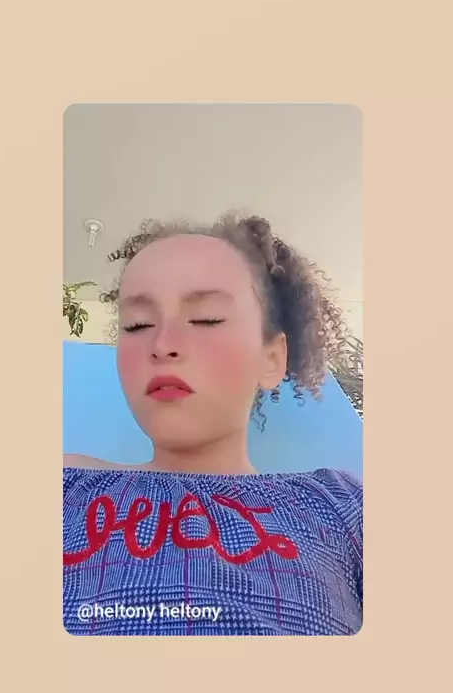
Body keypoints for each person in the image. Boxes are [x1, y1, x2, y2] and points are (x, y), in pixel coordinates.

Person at [64, 212, 363, 636]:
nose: (162, 345)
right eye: (137, 325)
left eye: (206, 318)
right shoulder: (62, 488)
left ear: (271, 358)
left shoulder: (339, 507)